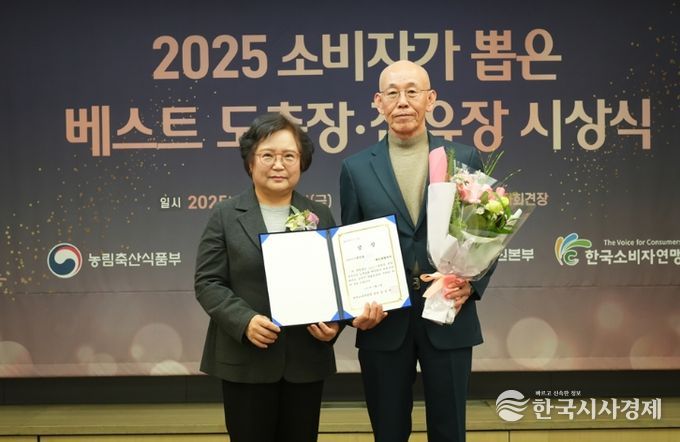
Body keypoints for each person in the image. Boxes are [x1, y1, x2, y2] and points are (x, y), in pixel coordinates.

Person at [339, 60, 497, 442]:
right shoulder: (356, 169)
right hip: (384, 321)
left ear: (431, 99)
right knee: (388, 432)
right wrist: (354, 309)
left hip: (449, 312)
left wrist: (472, 284)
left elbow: (488, 229)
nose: (403, 101)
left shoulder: (462, 158)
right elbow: (350, 246)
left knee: (449, 431)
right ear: (378, 102)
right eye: (392, 93)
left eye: (412, 91)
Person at [194, 113, 342, 442]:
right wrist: (244, 321)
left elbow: (336, 282)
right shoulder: (226, 215)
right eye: (268, 155)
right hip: (246, 360)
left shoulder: (319, 215)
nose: (278, 164)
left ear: (302, 162)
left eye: (289, 156)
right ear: (250, 162)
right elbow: (208, 282)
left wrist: (335, 324)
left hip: (304, 362)